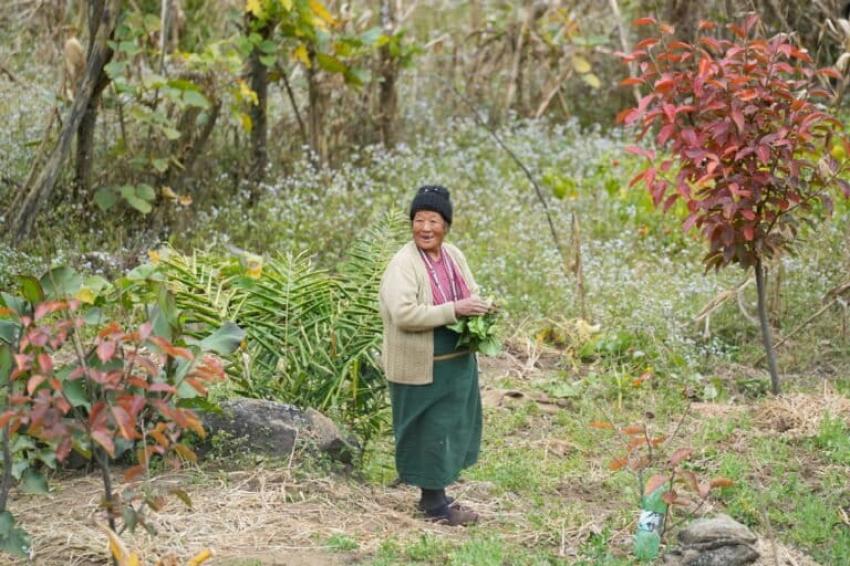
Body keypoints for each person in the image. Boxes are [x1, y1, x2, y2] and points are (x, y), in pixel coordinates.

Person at [379, 185, 491, 526]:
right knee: (428, 429)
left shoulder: (454, 255)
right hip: (420, 365)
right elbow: (404, 315)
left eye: (433, 220)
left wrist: (481, 307)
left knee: (451, 427)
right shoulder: (403, 264)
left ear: (447, 225)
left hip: (453, 363)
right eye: (418, 220)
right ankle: (432, 505)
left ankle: (438, 491)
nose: (425, 228)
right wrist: (455, 309)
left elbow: (469, 290)